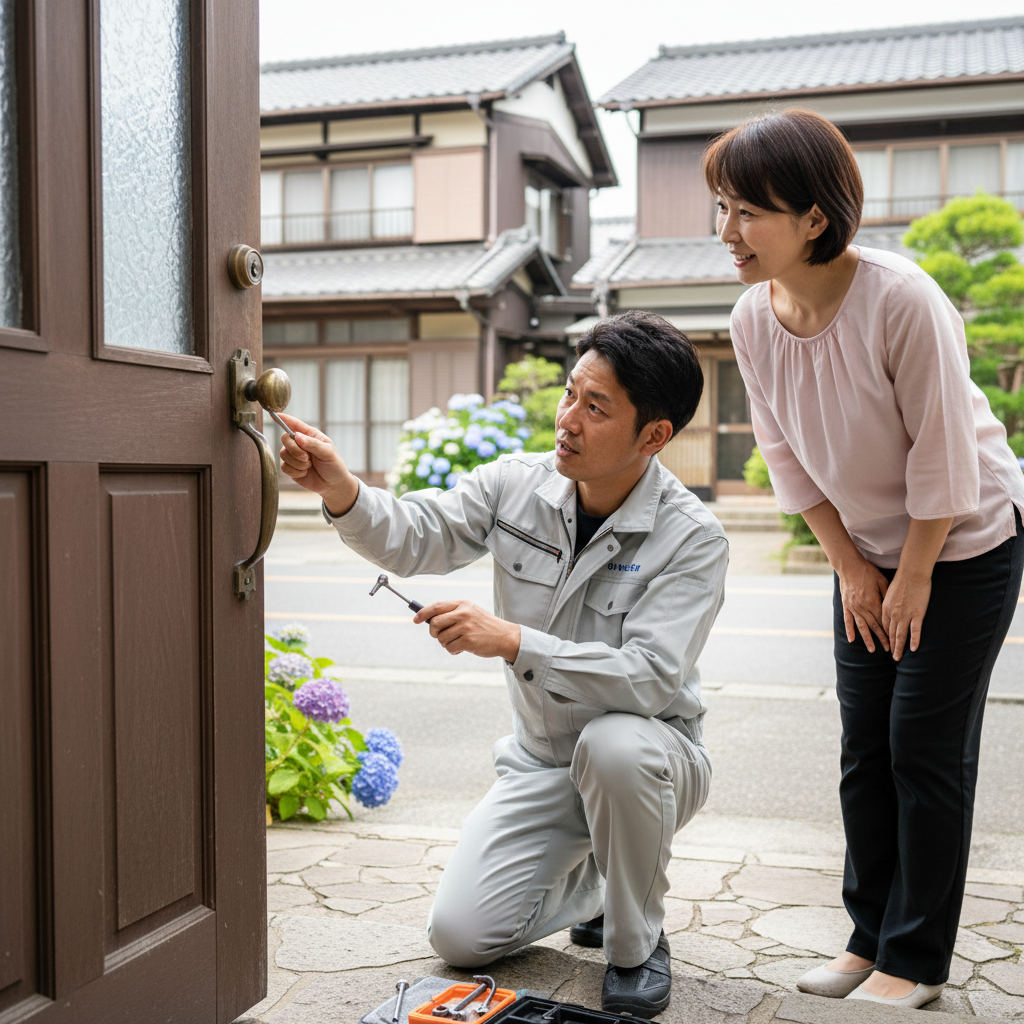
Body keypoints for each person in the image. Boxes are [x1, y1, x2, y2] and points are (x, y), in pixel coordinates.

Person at [276, 311, 728, 1018]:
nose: (568, 419)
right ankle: (604, 881)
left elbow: (648, 678)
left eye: (596, 406)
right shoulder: (516, 484)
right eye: (571, 393)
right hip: (544, 765)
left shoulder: (692, 537)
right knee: (459, 936)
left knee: (615, 743)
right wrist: (340, 488)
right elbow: (414, 534)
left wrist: (515, 641)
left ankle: (636, 944)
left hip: (651, 760)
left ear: (654, 436)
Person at [705, 108, 1024, 1009]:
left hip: (963, 543)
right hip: (868, 554)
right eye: (721, 210)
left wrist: (915, 572)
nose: (728, 233)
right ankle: (866, 938)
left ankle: (915, 960)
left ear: (814, 216)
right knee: (863, 750)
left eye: (747, 212)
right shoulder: (750, 317)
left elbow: (944, 453)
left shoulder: (901, 297)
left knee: (922, 746)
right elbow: (785, 454)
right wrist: (850, 565)